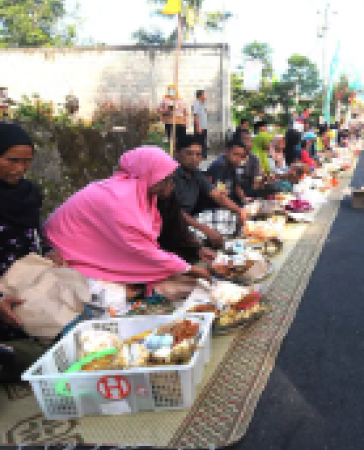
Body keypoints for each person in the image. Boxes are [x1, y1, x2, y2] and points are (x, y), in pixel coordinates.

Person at [45, 147, 212, 292]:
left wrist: (195, 250)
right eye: (165, 179)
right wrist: (193, 270)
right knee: (119, 295)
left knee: (170, 279)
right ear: (147, 174)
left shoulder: (144, 192)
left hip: (91, 248)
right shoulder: (121, 200)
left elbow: (173, 226)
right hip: (65, 253)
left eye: (171, 179)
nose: (170, 184)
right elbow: (143, 250)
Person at [0, 123, 65, 382]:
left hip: (22, 287)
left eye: (27, 161)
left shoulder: (29, 194)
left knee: (59, 347)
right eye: (12, 160)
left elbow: (34, 234)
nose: (20, 168)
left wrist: (48, 253)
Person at [173, 135, 247, 247]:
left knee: (235, 217)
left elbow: (217, 195)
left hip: (193, 218)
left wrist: (239, 211)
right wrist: (205, 229)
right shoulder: (171, 175)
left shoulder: (196, 173)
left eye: (198, 154)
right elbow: (175, 212)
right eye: (189, 153)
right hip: (175, 222)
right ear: (177, 153)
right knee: (194, 241)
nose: (194, 158)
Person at [192, 90, 208, 158]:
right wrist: (198, 127)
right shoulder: (197, 103)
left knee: (203, 141)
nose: (206, 96)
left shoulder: (203, 104)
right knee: (199, 142)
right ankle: (199, 155)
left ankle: (203, 156)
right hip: (199, 126)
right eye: (204, 94)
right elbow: (195, 116)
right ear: (200, 95)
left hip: (204, 126)